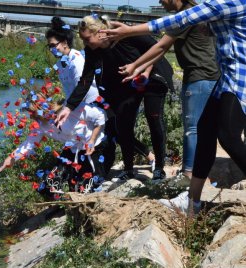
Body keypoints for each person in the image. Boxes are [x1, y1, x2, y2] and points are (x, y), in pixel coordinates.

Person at [100, 0, 246, 214]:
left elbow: (180, 20)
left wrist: (129, 31)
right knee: (205, 131)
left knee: (228, 136)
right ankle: (192, 202)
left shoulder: (233, 2)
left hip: (241, 77)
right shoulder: (217, 6)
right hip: (226, 77)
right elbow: (173, 36)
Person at [108, 0, 220, 180]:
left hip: (199, 76)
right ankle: (198, 176)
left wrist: (135, 62)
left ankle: (189, 175)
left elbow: (160, 45)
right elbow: (163, 47)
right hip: (208, 76)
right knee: (205, 129)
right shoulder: (196, 12)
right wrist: (138, 68)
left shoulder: (186, 15)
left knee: (193, 129)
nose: (160, 1)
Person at [56, 15, 174, 183]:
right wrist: (68, 107)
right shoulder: (92, 50)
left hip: (153, 74)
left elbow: (156, 49)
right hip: (128, 81)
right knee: (123, 124)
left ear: (99, 32)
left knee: (152, 116)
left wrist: (145, 72)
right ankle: (128, 169)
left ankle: (160, 168)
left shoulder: (124, 34)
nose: (85, 44)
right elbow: (85, 80)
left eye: (87, 39)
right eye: (82, 40)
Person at [0, 92, 107, 195]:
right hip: (72, 150)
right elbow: (24, 148)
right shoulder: (41, 125)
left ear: (42, 107)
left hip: (94, 147)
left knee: (88, 187)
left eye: (32, 112)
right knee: (50, 183)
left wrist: (91, 140)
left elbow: (101, 116)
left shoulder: (71, 108)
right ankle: (59, 206)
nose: (31, 117)